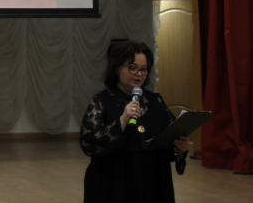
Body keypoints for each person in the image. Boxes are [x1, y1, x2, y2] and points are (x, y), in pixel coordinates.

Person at [80, 40, 189, 202]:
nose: (139, 74)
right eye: (133, 67)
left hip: (153, 182)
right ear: (116, 68)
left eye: (144, 69)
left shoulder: (155, 101)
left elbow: (169, 137)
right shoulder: (101, 101)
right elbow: (89, 145)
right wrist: (122, 120)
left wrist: (180, 149)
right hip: (114, 182)